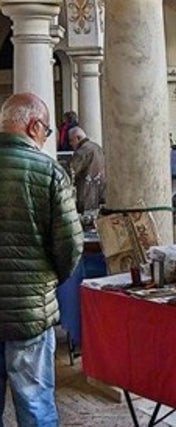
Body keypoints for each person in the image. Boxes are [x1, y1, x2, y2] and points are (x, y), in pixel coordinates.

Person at [0, 93, 83, 426]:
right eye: (47, 131)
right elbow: (71, 245)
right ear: (34, 126)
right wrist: (48, 279)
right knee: (34, 403)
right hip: (29, 310)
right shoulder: (48, 170)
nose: (46, 137)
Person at [68, 126, 105, 214]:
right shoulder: (97, 147)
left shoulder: (83, 151)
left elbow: (71, 171)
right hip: (101, 191)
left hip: (87, 194)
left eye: (71, 140)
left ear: (78, 138)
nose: (70, 144)